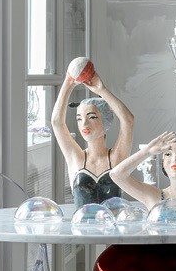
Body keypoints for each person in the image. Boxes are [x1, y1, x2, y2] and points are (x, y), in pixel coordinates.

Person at [50, 61, 134, 208]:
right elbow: (57, 122)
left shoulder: (116, 157)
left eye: (92, 117)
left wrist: (102, 90)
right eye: (79, 119)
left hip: (113, 223)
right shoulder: (76, 158)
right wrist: (68, 83)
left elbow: (128, 120)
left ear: (106, 120)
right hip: (81, 223)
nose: (84, 124)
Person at [108, 130, 176, 217]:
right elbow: (116, 175)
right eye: (168, 154)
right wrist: (147, 151)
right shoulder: (153, 196)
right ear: (163, 163)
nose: (175, 159)